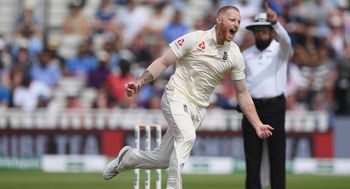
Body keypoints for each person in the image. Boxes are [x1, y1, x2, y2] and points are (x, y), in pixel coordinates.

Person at [102, 5, 274, 189]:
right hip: (176, 96)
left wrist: (257, 124)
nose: (237, 24)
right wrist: (140, 82)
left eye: (239, 21)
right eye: (233, 20)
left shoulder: (234, 54)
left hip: (197, 109)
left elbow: (242, 93)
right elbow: (164, 61)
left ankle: (127, 159)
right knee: (187, 137)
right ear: (219, 20)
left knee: (162, 160)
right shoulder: (195, 38)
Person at [240, 4, 292, 189]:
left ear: (271, 31)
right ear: (254, 32)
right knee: (252, 155)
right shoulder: (246, 54)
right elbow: (242, 85)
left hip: (274, 107)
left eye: (265, 30)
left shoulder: (280, 50)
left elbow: (287, 41)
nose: (261, 33)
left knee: (277, 154)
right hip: (252, 108)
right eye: (258, 30)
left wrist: (276, 22)